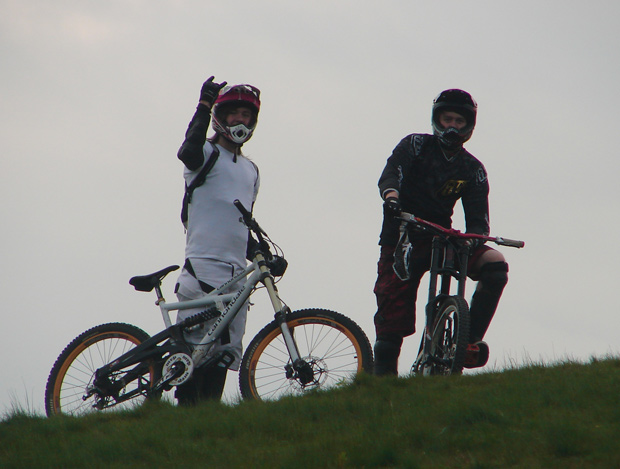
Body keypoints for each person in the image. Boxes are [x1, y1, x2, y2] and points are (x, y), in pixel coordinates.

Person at [373, 89, 509, 376]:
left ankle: (468, 342)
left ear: (469, 126)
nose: (452, 127)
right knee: (391, 323)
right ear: (437, 119)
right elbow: (391, 174)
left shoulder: (473, 169)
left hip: (442, 238)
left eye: (459, 121)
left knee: (496, 265)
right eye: (447, 119)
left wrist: (474, 241)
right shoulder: (415, 145)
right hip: (402, 238)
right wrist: (392, 198)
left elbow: (478, 222)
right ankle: (383, 386)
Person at [173, 77, 262, 405]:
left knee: (223, 356)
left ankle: (208, 422)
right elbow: (187, 151)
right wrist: (203, 106)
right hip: (202, 269)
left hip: (236, 276)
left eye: (246, 114)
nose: (240, 119)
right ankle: (184, 417)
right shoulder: (206, 153)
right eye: (234, 113)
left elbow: (240, 224)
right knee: (193, 356)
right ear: (221, 118)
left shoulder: (252, 170)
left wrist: (261, 253)